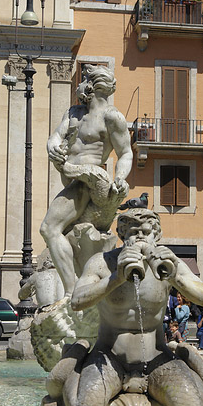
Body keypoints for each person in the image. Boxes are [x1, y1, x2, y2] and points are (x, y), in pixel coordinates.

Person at [46, 208, 203, 406]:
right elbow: (77, 301)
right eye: (133, 232)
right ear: (122, 235)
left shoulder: (168, 262)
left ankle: (185, 363)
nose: (139, 237)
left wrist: (175, 277)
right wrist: (116, 277)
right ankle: (76, 358)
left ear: (156, 235)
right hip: (109, 358)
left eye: (146, 232)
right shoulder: (103, 262)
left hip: (156, 359)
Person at [40, 65, 133, 295]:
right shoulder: (74, 113)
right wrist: (52, 148)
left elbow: (126, 153)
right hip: (71, 179)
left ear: (91, 86)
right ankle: (78, 286)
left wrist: (120, 178)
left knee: (50, 229)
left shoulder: (112, 117)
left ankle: (73, 294)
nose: (78, 85)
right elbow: (55, 137)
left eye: (82, 80)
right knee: (62, 233)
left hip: (87, 183)